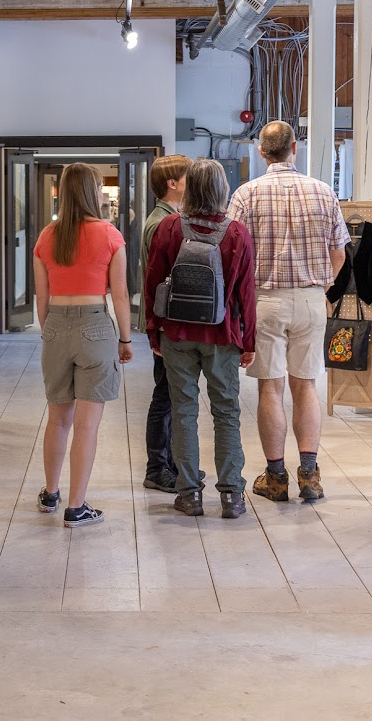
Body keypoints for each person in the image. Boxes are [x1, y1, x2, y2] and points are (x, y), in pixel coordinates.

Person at [227, 120, 349, 502]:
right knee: (306, 385)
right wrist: (321, 286)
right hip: (311, 299)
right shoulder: (323, 191)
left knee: (271, 386)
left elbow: (232, 254)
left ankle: (276, 477)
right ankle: (309, 476)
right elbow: (339, 252)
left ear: (261, 152)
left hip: (264, 300)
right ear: (295, 148)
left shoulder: (246, 195)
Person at [145, 159, 257, 518]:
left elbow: (153, 283)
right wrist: (249, 341)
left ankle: (190, 493)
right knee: (226, 412)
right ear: (223, 189)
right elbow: (246, 293)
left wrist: (153, 329)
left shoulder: (169, 227)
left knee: (183, 410)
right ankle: (232, 496)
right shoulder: (237, 233)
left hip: (177, 332)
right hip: (222, 334)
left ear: (190, 188)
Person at [32, 163, 133, 528]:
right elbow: (120, 295)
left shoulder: (47, 236)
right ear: (93, 191)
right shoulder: (110, 235)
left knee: (58, 419)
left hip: (56, 324)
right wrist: (125, 338)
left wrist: (51, 332)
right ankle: (76, 507)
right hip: (95, 325)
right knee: (86, 426)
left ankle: (50, 493)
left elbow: (41, 298)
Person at [137, 154, 191, 493]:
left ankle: (169, 464)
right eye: (188, 178)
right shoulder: (162, 223)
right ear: (172, 184)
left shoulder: (168, 218)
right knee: (165, 396)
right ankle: (157, 468)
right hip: (165, 322)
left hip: (164, 321)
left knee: (169, 394)